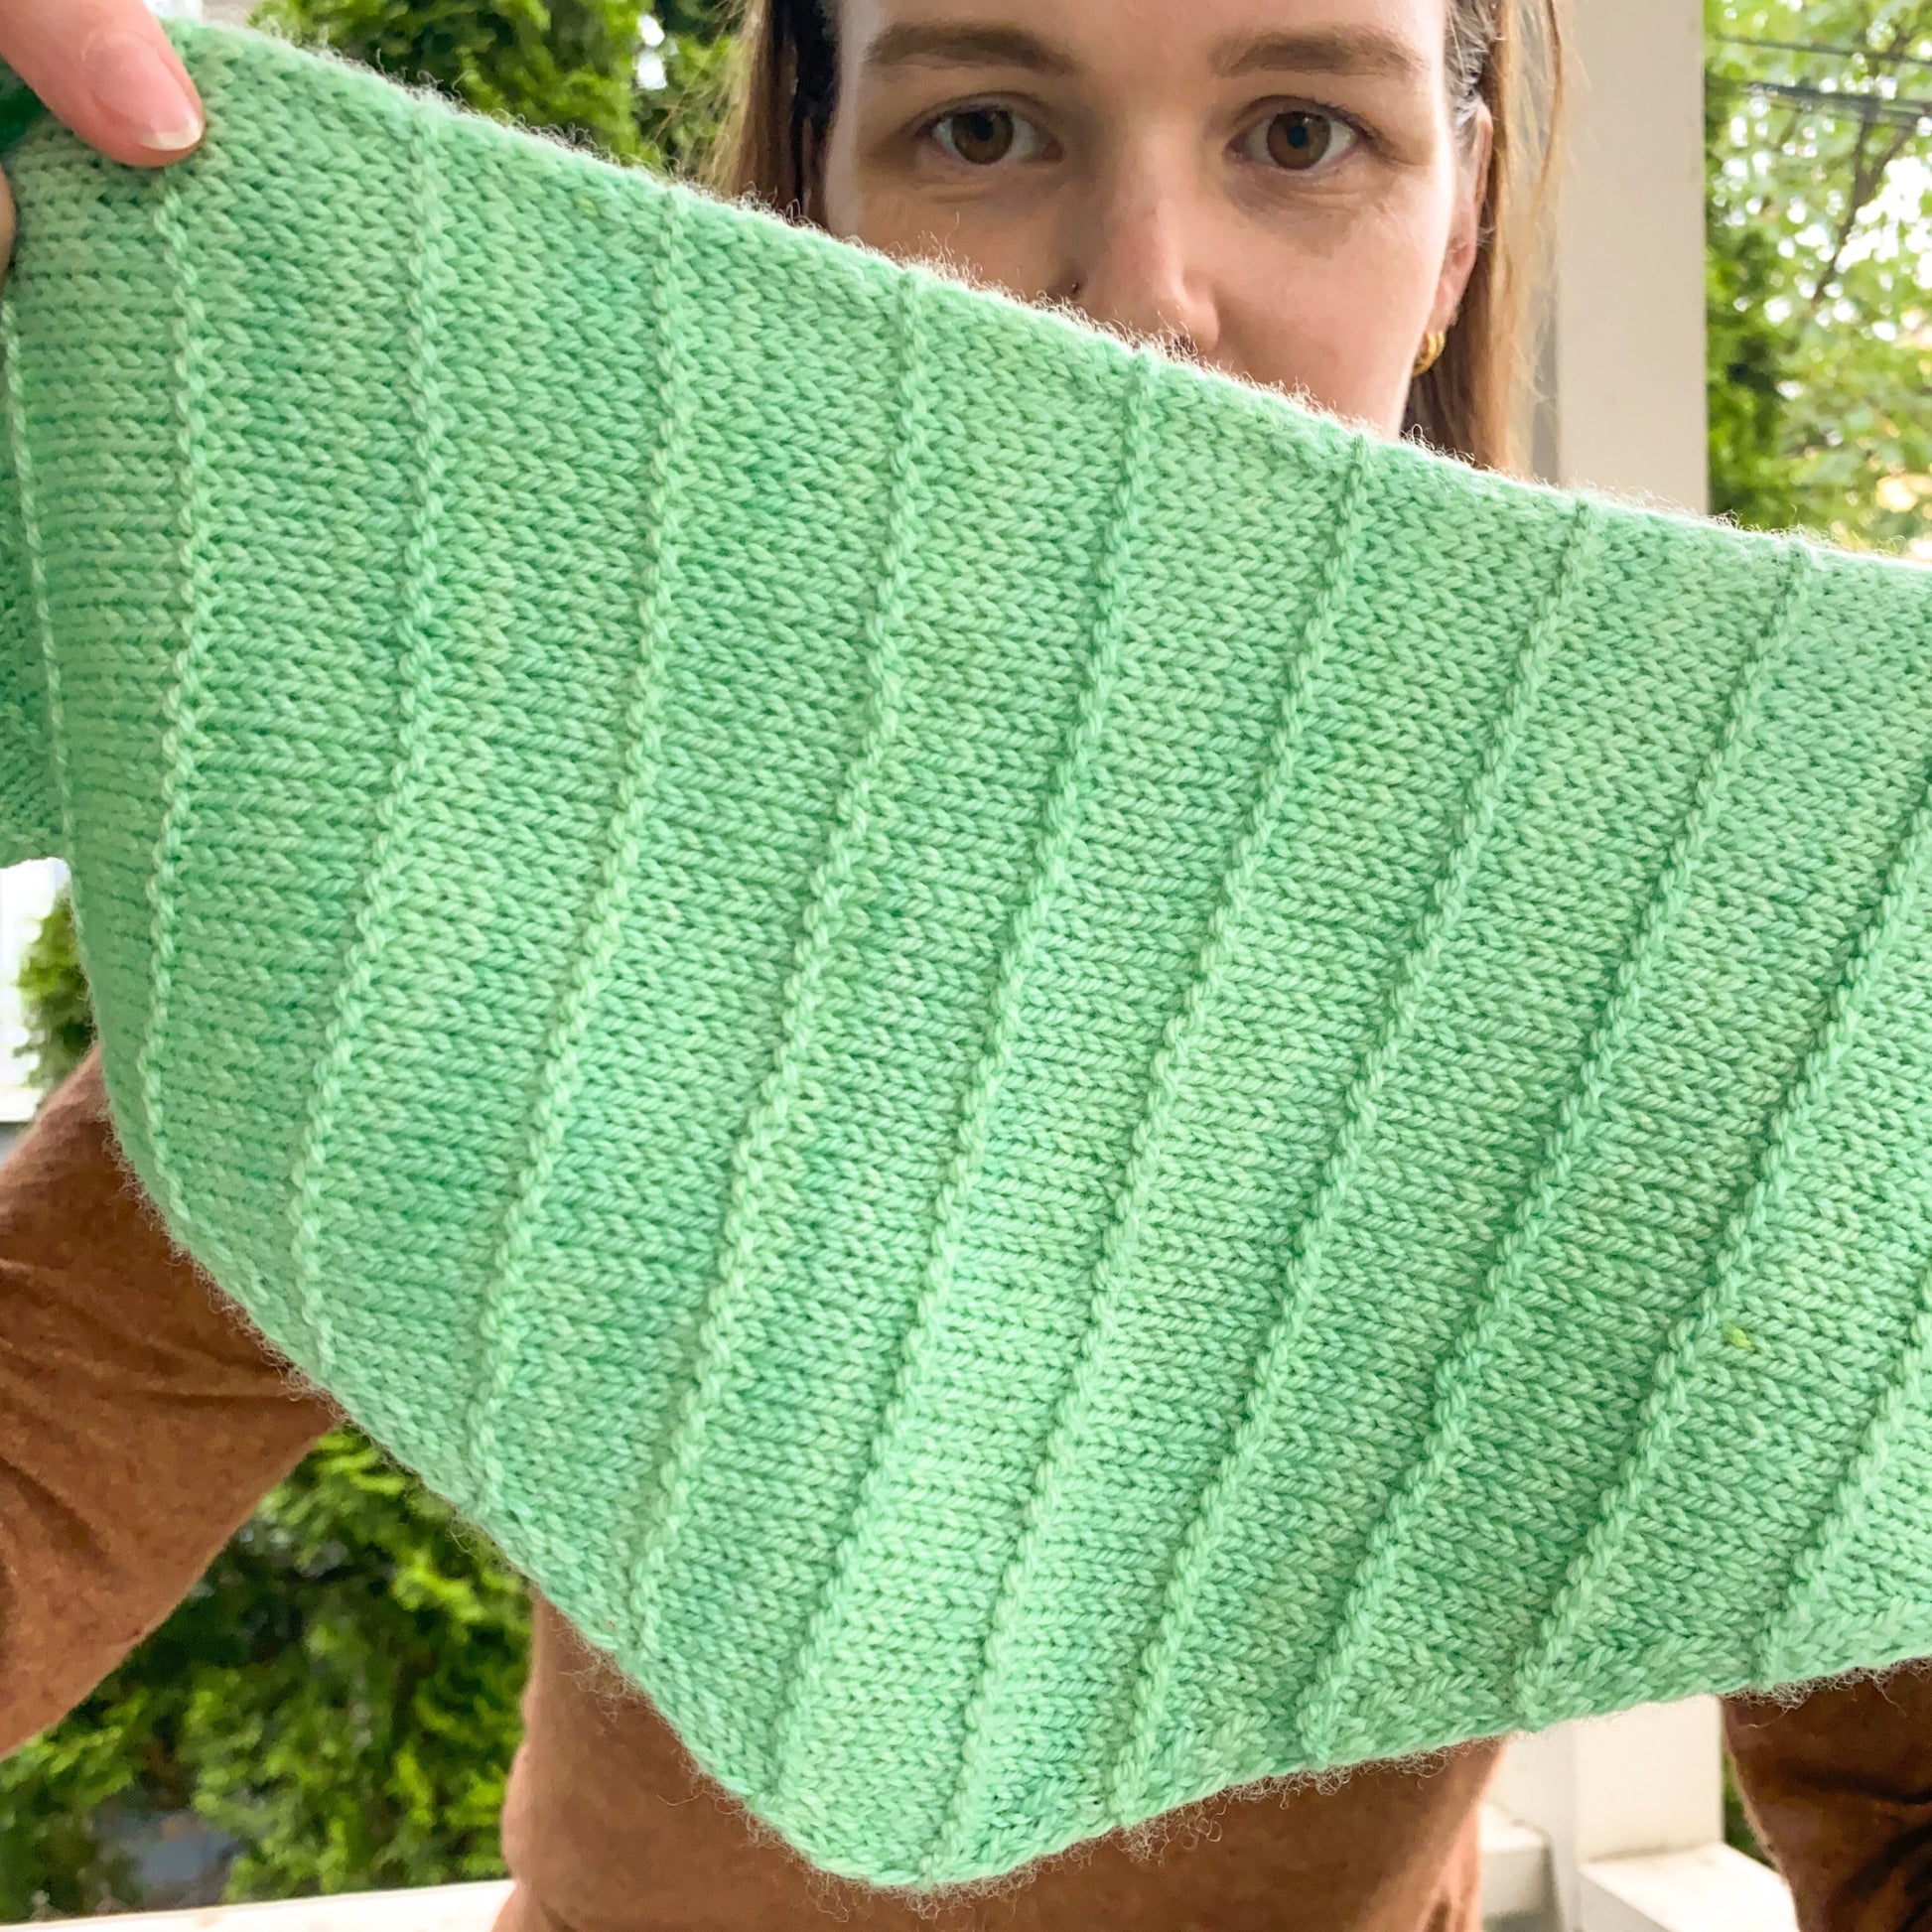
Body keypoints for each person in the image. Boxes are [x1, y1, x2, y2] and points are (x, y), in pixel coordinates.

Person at [3, 2, 1932, 1928]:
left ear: (1458, 225)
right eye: (989, 129)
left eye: (1297, 134)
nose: (1144, 299)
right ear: (805, 199)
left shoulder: (1704, 916)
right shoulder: (560, 837)